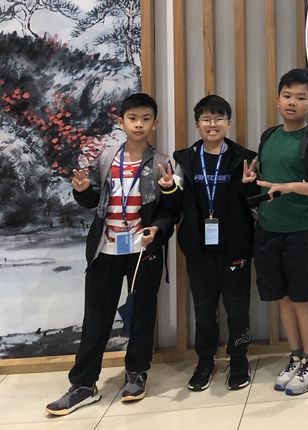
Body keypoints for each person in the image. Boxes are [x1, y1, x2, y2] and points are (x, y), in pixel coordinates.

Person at [46, 93, 179, 416]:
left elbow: (172, 210)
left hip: (142, 249)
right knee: (96, 315)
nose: (139, 124)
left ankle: (137, 373)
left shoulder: (163, 162)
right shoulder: (106, 158)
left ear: (155, 123)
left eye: (145, 119)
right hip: (105, 248)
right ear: (122, 122)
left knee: (143, 312)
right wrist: (81, 191)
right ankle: (83, 384)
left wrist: (157, 227)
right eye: (132, 118)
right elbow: (93, 200)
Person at [247, 67, 308, 396]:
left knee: (303, 298)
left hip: (304, 231)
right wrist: (251, 178)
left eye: (301, 97)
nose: (292, 102)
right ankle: (296, 356)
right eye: (287, 96)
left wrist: (290, 186)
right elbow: (265, 177)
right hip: (269, 229)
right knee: (282, 297)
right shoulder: (269, 136)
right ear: (277, 99)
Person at [172, 95, 257, 392]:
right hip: (198, 248)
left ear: (228, 123)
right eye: (206, 119)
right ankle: (205, 361)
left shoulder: (244, 158)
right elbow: (174, 205)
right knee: (204, 309)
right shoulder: (184, 159)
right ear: (197, 125)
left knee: (238, 308)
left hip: (236, 247)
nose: (212, 124)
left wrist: (250, 187)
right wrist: (168, 190)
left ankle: (239, 359)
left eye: (219, 118)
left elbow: (256, 205)